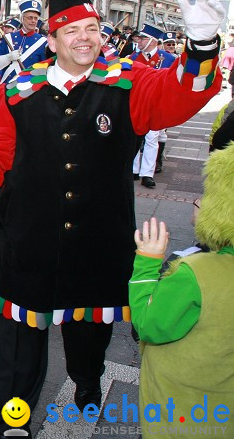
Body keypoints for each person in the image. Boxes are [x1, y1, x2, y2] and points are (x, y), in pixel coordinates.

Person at [0, 0, 224, 439]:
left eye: (92, 28)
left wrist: (201, 47)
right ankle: (11, 423)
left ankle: (86, 387)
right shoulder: (18, 90)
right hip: (30, 243)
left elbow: (183, 92)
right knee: (19, 350)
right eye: (72, 30)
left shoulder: (128, 83)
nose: (84, 38)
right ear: (52, 39)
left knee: (88, 338)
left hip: (99, 243)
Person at [129, 147, 234, 438]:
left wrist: (147, 265)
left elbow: (148, 325)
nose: (197, 203)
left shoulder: (194, 272)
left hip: (181, 414)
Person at [131, 23, 177, 188]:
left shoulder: (169, 59)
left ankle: (147, 174)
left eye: (143, 38)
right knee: (134, 136)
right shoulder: (132, 58)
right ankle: (133, 170)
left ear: (152, 40)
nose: (139, 41)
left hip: (156, 105)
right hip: (137, 104)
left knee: (152, 139)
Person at [0, 0, 47, 83]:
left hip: (28, 87)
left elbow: (44, 68)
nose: (33, 21)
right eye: (30, 18)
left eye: (36, 18)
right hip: (8, 85)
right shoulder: (8, 38)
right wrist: (8, 58)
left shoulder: (42, 42)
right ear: (22, 18)